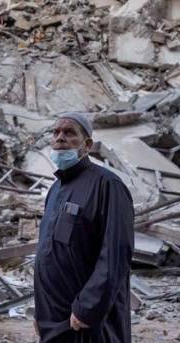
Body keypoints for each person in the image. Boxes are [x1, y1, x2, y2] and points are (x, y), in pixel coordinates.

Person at [34, 112, 134, 342]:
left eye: (69, 133)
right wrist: (41, 313)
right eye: (56, 132)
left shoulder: (108, 186)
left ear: (87, 145)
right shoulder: (55, 189)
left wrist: (88, 307)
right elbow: (47, 254)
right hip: (54, 316)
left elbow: (115, 255)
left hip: (87, 320)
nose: (60, 138)